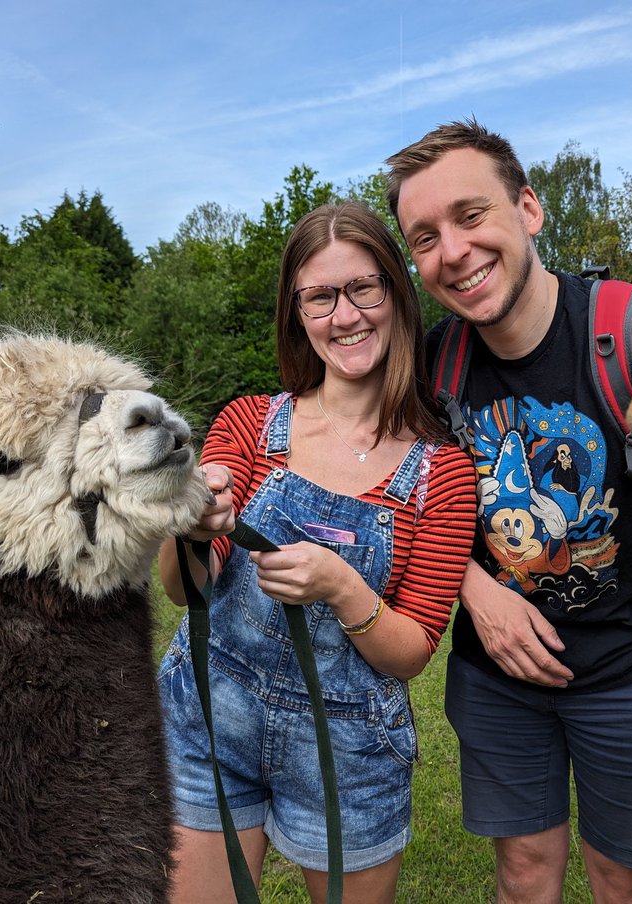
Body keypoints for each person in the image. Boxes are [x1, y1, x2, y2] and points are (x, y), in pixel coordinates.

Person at [384, 120, 632, 904]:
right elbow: (405, 507)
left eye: (472, 216)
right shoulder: (435, 365)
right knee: (524, 874)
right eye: (425, 237)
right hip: (499, 675)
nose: (453, 251)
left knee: (624, 885)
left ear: (529, 210)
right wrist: (476, 593)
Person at [156, 201, 478, 904]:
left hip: (349, 750)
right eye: (322, 297)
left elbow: (413, 649)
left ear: (396, 295)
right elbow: (187, 591)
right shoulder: (247, 424)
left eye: (365, 288)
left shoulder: (443, 473)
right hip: (210, 721)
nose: (346, 315)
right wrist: (191, 527)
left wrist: (343, 585)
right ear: (297, 312)